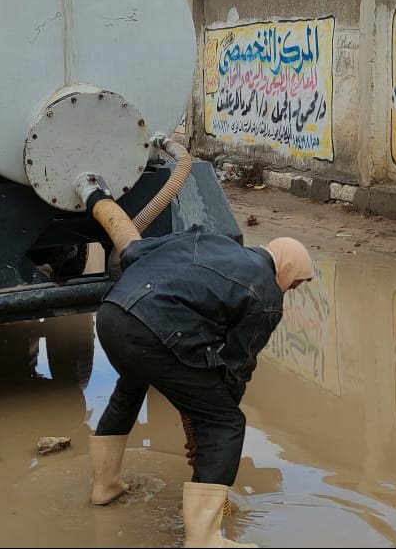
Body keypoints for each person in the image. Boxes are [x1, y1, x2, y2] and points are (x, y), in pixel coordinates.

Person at [87, 226, 314, 548]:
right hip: (157, 332)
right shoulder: (266, 296)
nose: (289, 290)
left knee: (131, 386)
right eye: (295, 284)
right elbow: (237, 368)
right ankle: (205, 540)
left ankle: (105, 486)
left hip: (113, 313)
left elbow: (134, 252)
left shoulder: (209, 238)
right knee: (227, 422)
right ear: (288, 269)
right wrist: (211, 424)